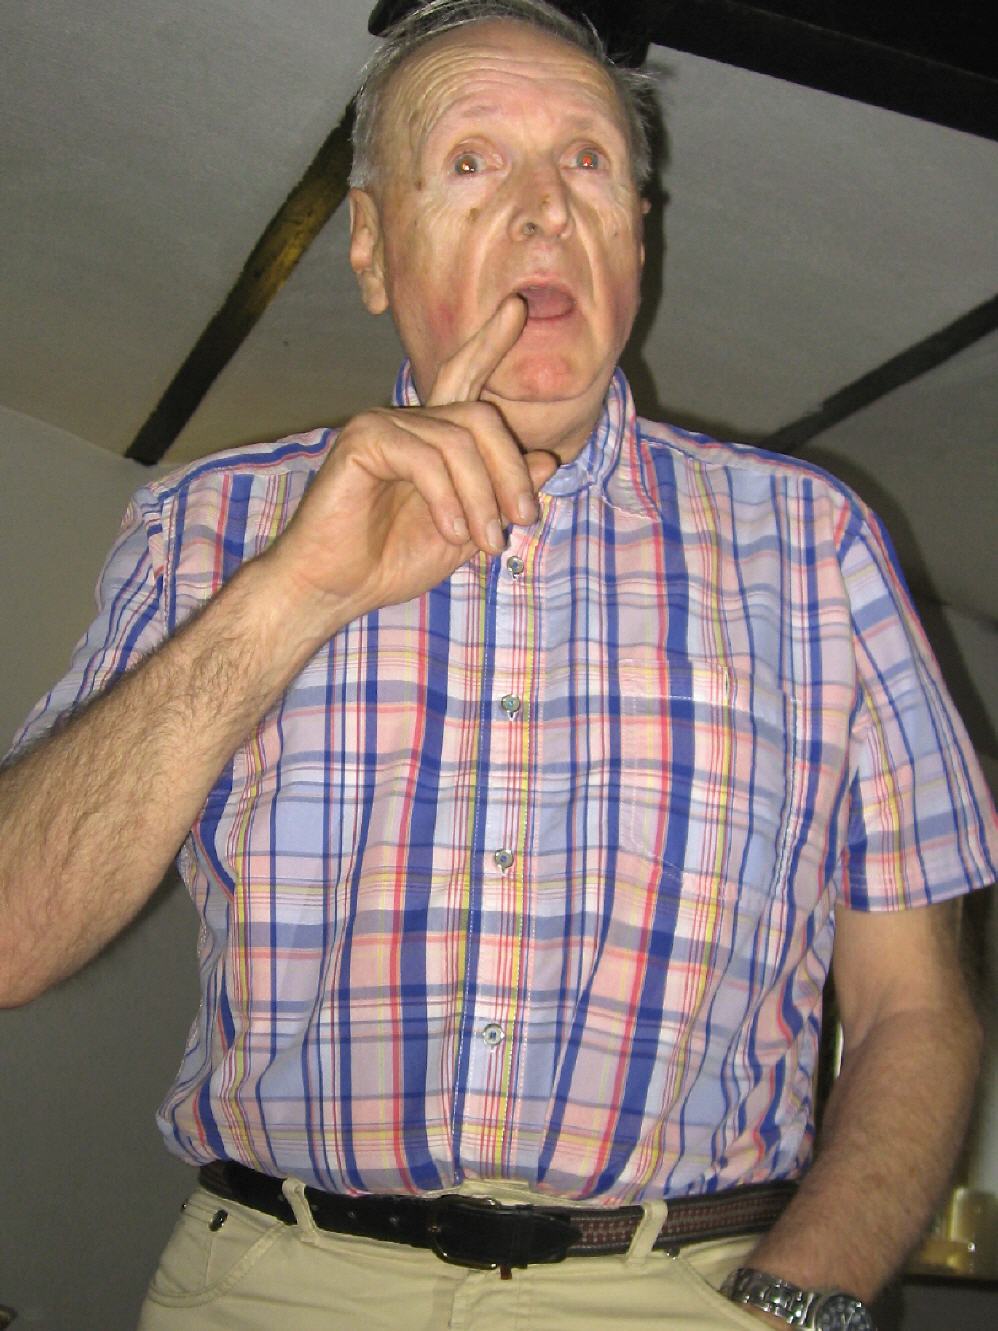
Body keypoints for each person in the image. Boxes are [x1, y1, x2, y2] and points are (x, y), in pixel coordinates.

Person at [1, 1, 994, 1327]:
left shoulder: (817, 545)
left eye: (588, 162)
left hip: (684, 1294)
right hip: (275, 1286)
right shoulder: (208, 526)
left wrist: (790, 1308)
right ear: (369, 246)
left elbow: (915, 1010)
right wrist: (293, 594)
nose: (544, 209)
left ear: (637, 237)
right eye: (471, 161)